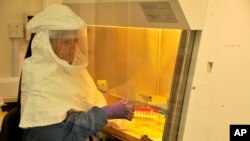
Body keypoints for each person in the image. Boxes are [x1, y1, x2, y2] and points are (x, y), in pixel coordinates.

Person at [19, 4, 133, 141]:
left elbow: (88, 106)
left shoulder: (74, 72)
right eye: (66, 42)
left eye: (75, 42)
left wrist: (109, 115)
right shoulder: (39, 74)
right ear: (48, 44)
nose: (72, 48)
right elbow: (62, 133)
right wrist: (105, 113)